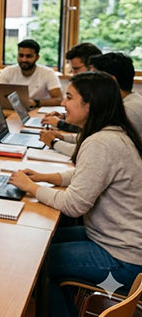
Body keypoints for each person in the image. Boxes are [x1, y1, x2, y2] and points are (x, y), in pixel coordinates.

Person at [8, 71, 142, 317]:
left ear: (89, 105)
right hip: (119, 241)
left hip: (124, 258)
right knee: (43, 241)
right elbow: (89, 174)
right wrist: (45, 178)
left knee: (38, 263)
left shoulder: (101, 142)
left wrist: (31, 187)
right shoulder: (114, 133)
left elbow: (73, 205)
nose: (62, 103)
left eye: (69, 97)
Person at [42, 52, 142, 156]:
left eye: (95, 77)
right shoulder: (122, 103)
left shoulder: (129, 110)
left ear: (111, 81)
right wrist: (62, 137)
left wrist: (54, 143)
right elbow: (91, 136)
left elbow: (92, 150)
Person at [41, 43, 102, 133]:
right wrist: (64, 116)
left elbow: (89, 129)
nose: (73, 74)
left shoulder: (102, 90)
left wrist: (59, 123)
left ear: (92, 68)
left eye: (76, 69)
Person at [0, 38, 63, 108]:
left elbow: (59, 100)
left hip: (37, 112)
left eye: (28, 56)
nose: (24, 59)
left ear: (37, 57)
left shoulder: (48, 73)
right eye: (21, 55)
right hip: (12, 110)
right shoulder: (8, 71)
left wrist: (36, 102)